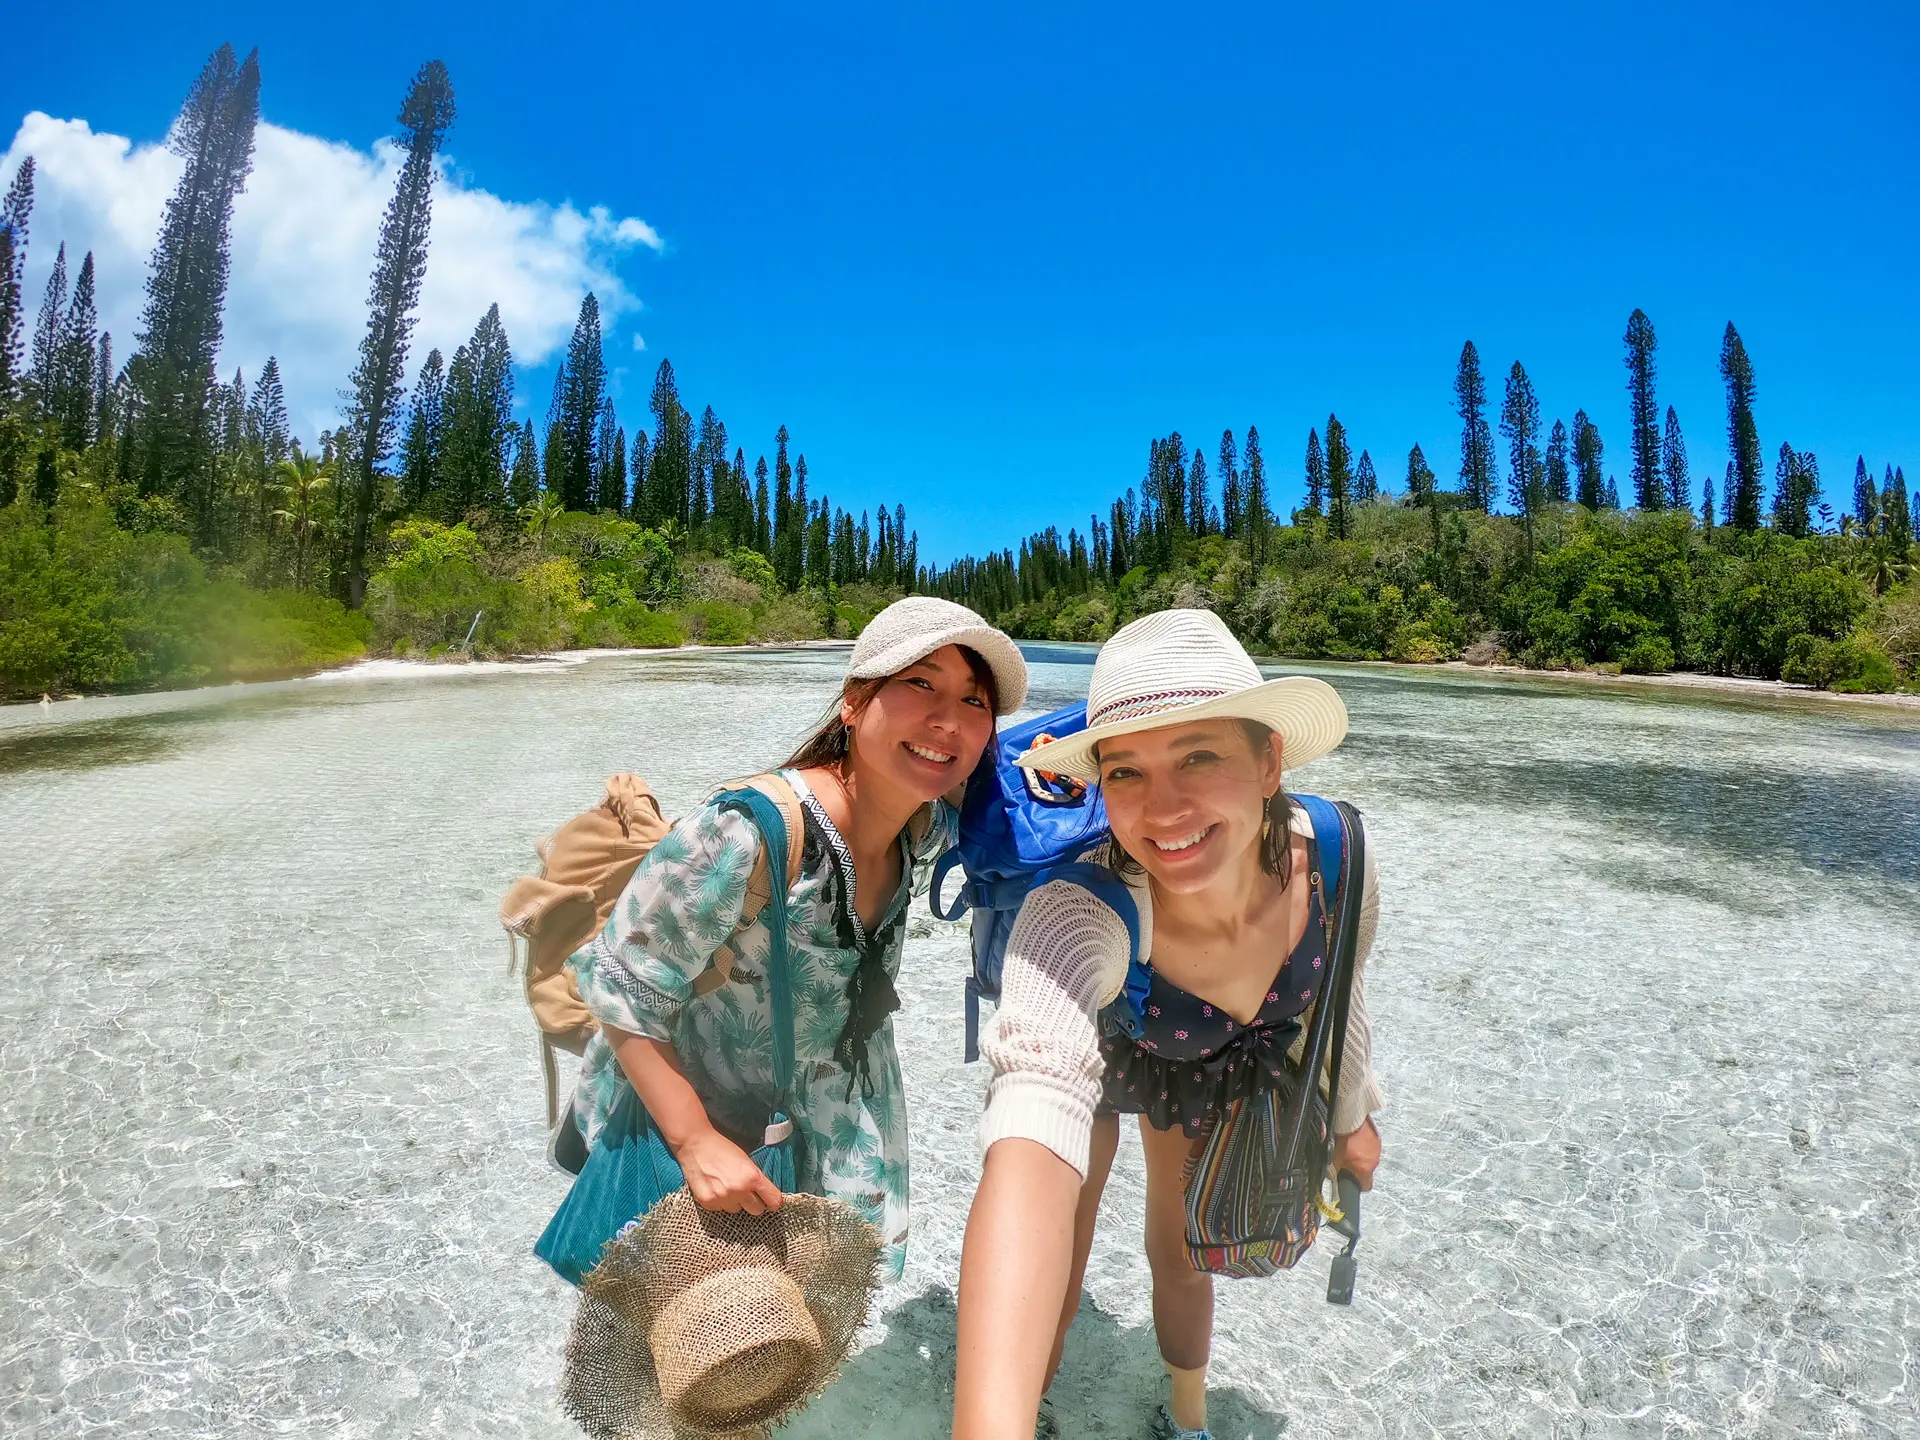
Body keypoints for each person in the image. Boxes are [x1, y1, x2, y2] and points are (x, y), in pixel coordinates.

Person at [952, 609, 1383, 1440]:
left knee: (1179, 1252)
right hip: (1114, 1036)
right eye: (1126, 772)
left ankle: (1187, 1420)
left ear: (1270, 760)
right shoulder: (1079, 909)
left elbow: (1342, 988)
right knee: (1060, 1237)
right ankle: (1022, 1408)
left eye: (1199, 756)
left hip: (1192, 1058)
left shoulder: (1339, 857)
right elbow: (1032, 1105)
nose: (1164, 810)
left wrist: (1350, 1112)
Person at [565, 597, 1026, 1281]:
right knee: (686, 1322)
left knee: (796, 1321)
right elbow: (621, 982)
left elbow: (1046, 795)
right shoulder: (745, 832)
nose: (948, 720)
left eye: (975, 700)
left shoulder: (922, 826)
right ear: (853, 702)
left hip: (824, 1118)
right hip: (710, 1118)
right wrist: (693, 1142)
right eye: (920, 683)